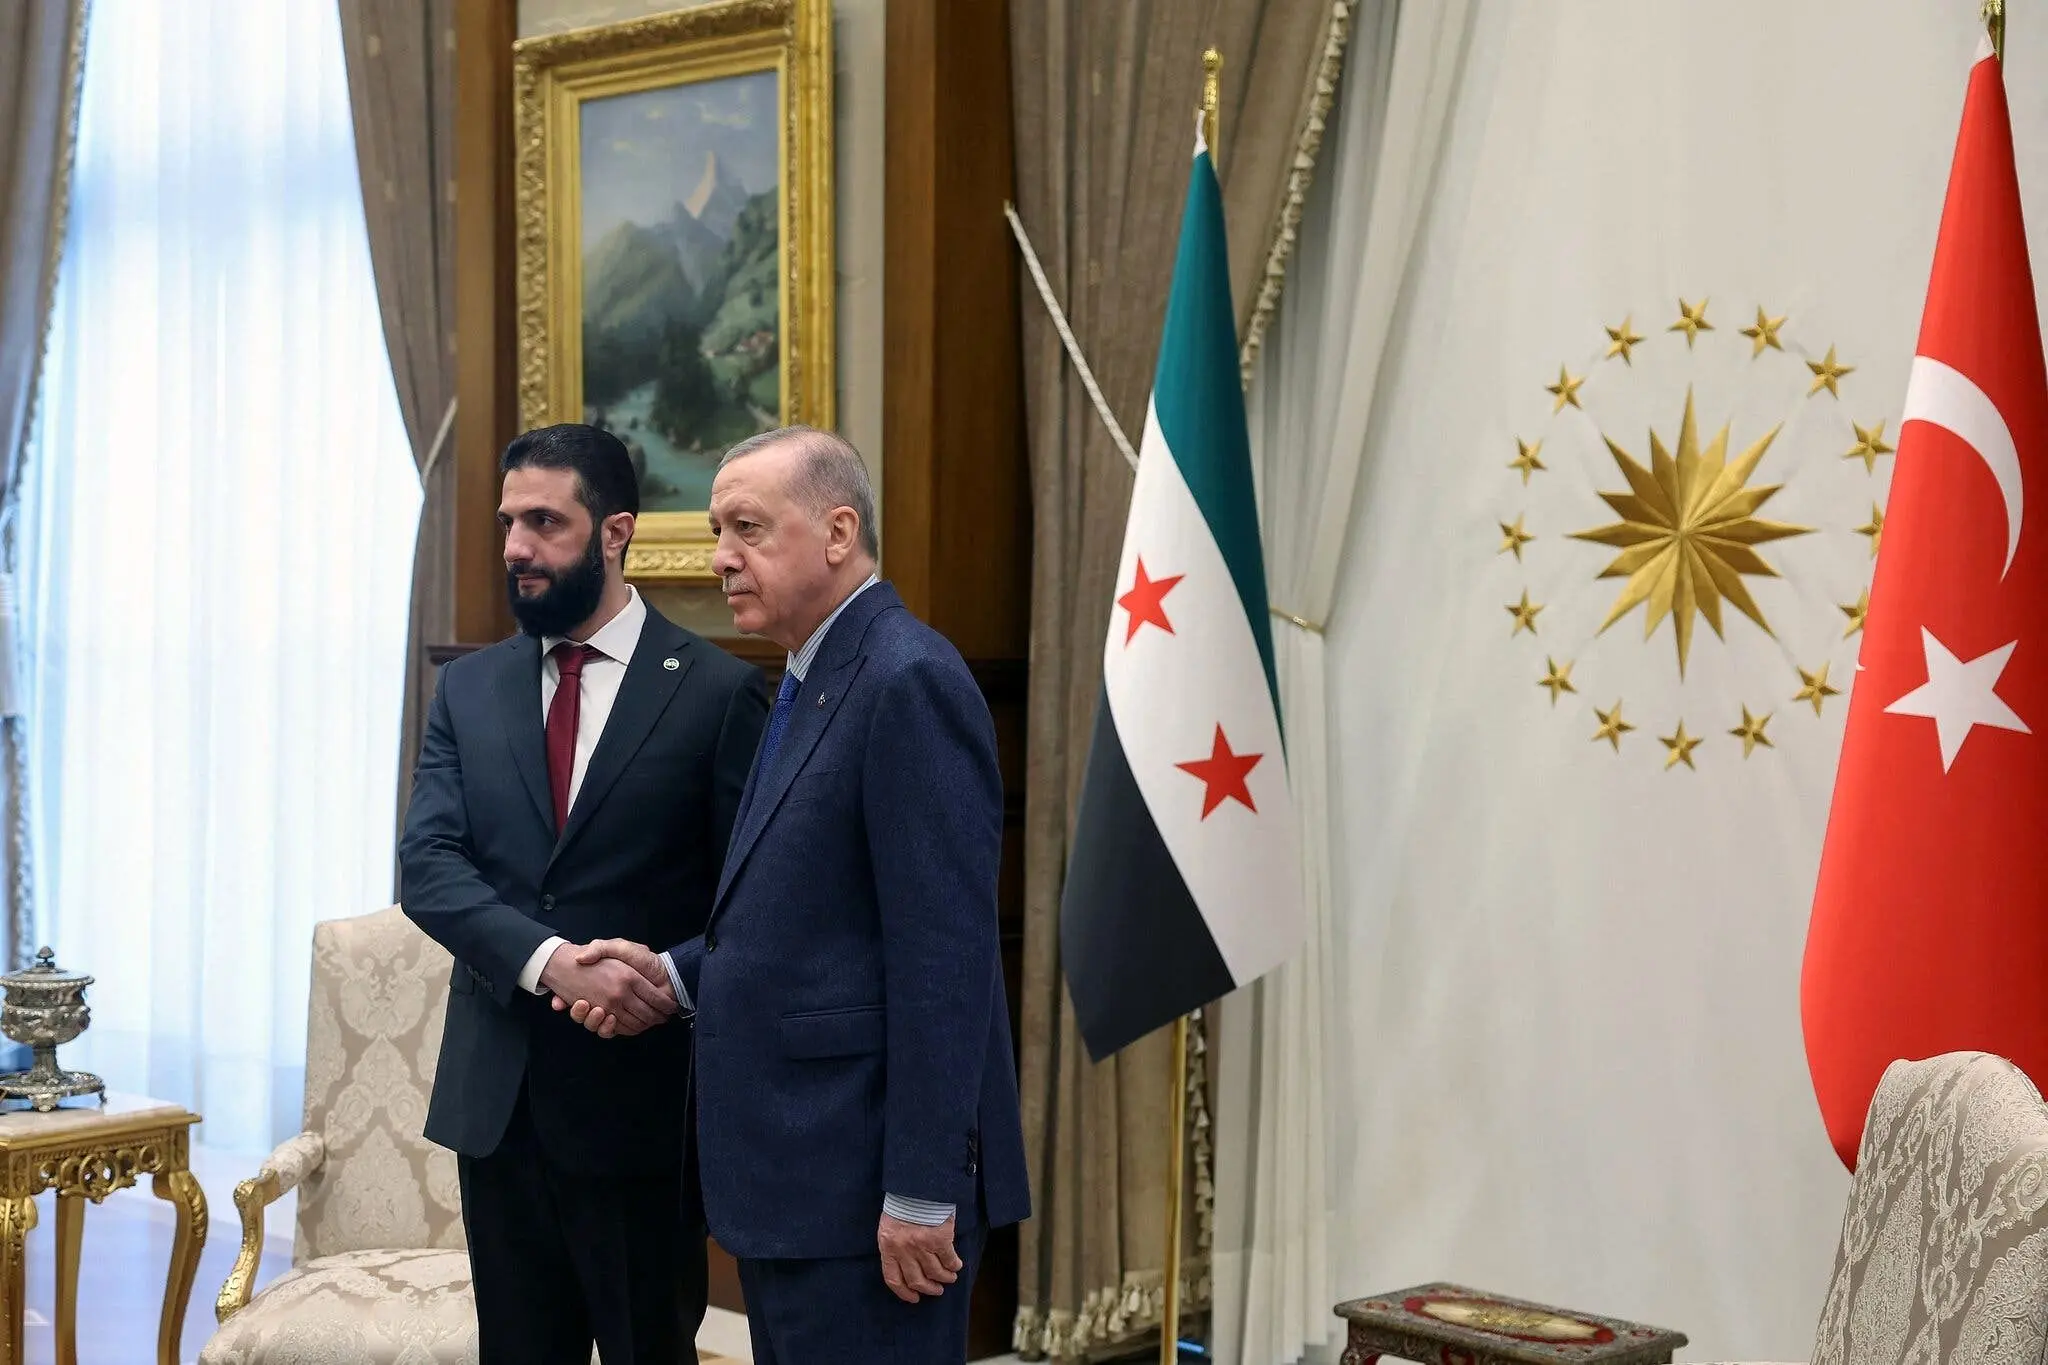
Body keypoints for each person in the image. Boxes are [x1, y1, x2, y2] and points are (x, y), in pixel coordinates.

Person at [561, 426, 1030, 1363]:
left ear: (838, 532)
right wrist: (670, 974)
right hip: (801, 1187)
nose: (720, 557)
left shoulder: (906, 679)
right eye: (716, 530)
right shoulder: (811, 674)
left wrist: (921, 1191)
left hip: (867, 1194)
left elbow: (945, 961)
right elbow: (804, 914)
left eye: (747, 527)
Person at [399, 423, 769, 1364]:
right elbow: (428, 867)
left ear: (615, 532)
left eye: (545, 522)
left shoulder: (717, 692)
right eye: (508, 522)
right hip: (501, 1105)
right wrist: (552, 962)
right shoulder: (468, 688)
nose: (516, 546)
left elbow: (750, 903)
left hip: (645, 1109)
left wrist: (664, 981)